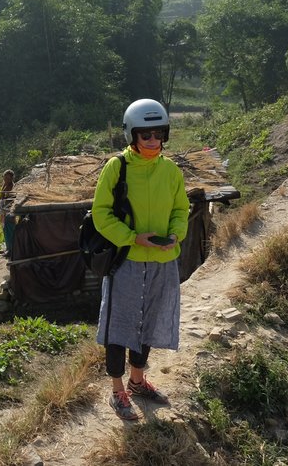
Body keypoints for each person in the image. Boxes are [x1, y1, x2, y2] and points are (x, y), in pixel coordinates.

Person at [91, 98, 189, 420]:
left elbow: (180, 210)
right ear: (132, 135)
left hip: (161, 261)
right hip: (126, 260)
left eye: (158, 134)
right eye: (145, 134)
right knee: (119, 326)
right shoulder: (117, 168)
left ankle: (137, 381)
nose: (152, 140)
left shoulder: (171, 171)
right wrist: (132, 238)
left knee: (146, 324)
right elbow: (101, 215)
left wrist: (175, 234)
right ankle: (118, 390)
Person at [0, 169, 16, 256]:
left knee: (10, 230)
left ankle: (11, 250)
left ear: (11, 178)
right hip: (3, 212)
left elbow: (10, 201)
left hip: (8, 213)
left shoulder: (12, 187)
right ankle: (8, 248)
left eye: (8, 178)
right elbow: (1, 197)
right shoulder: (5, 185)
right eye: (5, 178)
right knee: (5, 230)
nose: (6, 180)